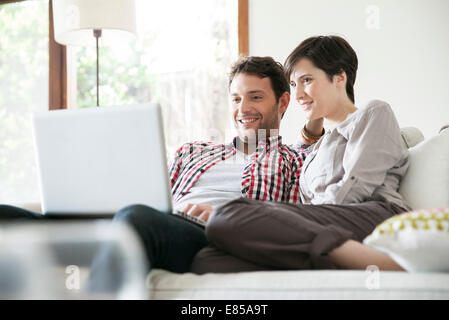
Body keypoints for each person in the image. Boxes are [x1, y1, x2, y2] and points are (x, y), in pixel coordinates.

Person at [190, 35, 411, 274]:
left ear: (340, 77)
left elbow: (356, 187)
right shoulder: (317, 149)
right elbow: (303, 148)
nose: (297, 95)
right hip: (325, 225)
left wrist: (285, 220)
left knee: (232, 212)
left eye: (306, 80)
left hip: (373, 216)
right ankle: (331, 257)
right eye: (294, 85)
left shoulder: (373, 113)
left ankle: (384, 262)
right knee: (207, 260)